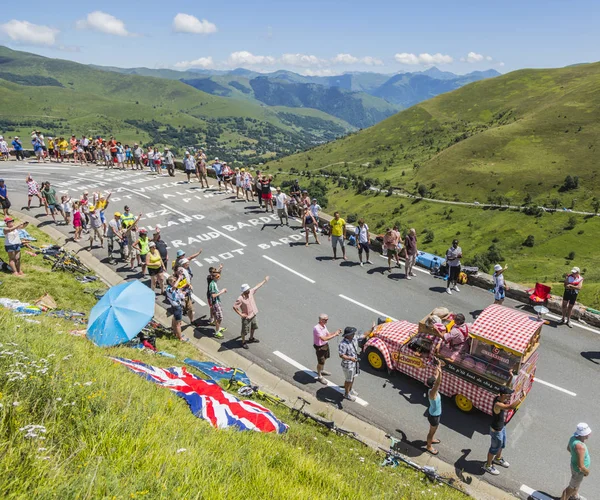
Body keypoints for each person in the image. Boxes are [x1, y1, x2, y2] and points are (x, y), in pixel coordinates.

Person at [483, 387, 526, 475]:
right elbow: (510, 407)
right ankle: (487, 466)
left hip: (501, 427)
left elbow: (506, 386)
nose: (510, 396)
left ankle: (498, 459)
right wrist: (521, 398)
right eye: (508, 395)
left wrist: (510, 377)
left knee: (502, 445)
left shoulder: (499, 397)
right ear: (502, 395)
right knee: (494, 449)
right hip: (496, 431)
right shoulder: (498, 404)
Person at [232, 276, 269, 349]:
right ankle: (243, 342)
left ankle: (251, 338)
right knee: (244, 331)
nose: (249, 290)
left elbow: (257, 286)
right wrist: (241, 314)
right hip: (247, 317)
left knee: (253, 327)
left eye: (248, 289)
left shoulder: (250, 292)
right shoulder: (240, 298)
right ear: (244, 291)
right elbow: (234, 307)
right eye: (247, 290)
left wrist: (264, 280)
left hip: (253, 314)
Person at [561, 423, 592, 500]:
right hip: (579, 471)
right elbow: (581, 466)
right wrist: (587, 472)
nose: (589, 434)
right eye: (587, 433)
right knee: (571, 488)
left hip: (574, 465)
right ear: (582, 435)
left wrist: (575, 455)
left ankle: (574, 496)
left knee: (576, 484)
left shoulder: (573, 438)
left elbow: (568, 448)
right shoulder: (580, 447)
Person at [313, 314, 341, 384]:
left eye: (327, 319)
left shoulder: (324, 326)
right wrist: (334, 335)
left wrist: (335, 332)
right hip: (320, 347)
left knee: (325, 358)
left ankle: (321, 370)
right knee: (321, 362)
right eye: (326, 320)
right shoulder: (317, 328)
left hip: (325, 345)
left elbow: (328, 335)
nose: (327, 321)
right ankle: (319, 375)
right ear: (321, 320)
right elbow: (323, 338)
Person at [425, 360, 445, 455]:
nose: (435, 379)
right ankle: (429, 446)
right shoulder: (433, 393)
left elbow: (436, 376)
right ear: (433, 384)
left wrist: (439, 365)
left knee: (433, 430)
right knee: (431, 432)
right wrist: (441, 373)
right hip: (434, 416)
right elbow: (438, 382)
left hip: (434, 414)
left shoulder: (431, 389)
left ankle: (431, 439)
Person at [338, 327, 360, 401]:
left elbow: (363, 335)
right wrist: (351, 358)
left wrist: (371, 329)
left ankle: (350, 389)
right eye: (352, 333)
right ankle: (347, 394)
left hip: (354, 363)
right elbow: (341, 355)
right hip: (348, 365)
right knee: (348, 380)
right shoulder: (343, 344)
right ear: (347, 335)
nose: (354, 334)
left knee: (353, 377)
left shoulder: (354, 338)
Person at [166, 275, 188, 342]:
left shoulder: (176, 289)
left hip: (177, 306)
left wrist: (184, 296)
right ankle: (180, 338)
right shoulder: (169, 289)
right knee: (178, 324)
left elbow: (180, 295)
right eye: (173, 281)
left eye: (175, 281)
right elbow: (174, 287)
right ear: (169, 282)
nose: (175, 282)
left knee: (175, 319)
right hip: (176, 307)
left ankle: (174, 332)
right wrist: (179, 278)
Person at [208, 270, 227, 338]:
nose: (219, 277)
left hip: (216, 302)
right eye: (218, 276)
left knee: (217, 317)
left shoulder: (214, 282)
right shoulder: (212, 284)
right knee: (219, 317)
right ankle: (217, 332)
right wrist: (222, 292)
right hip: (215, 303)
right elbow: (213, 295)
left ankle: (218, 329)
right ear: (214, 277)